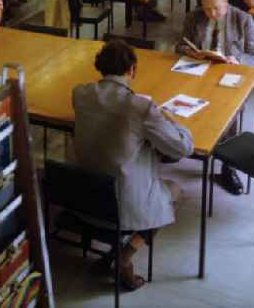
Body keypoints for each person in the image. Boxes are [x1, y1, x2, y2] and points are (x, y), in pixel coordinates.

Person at [73, 39, 193, 291]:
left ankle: (112, 256)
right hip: (120, 204)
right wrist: (171, 120)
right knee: (176, 191)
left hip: (83, 195)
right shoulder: (141, 107)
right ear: (132, 71)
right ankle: (124, 255)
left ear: (100, 68)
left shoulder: (80, 93)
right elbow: (182, 148)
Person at [177, 0, 254, 195]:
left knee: (229, 111)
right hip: (199, 70)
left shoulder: (243, 19)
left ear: (226, 2)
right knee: (177, 98)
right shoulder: (193, 17)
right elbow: (179, 45)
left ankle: (228, 167)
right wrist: (189, 51)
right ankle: (179, 144)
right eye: (207, 9)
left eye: (216, 8)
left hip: (230, 73)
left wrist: (237, 59)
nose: (211, 13)